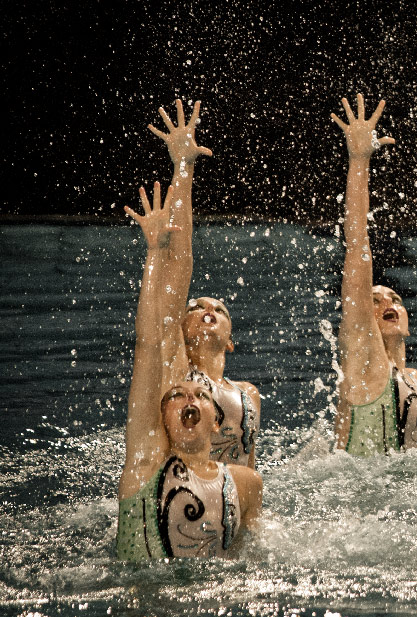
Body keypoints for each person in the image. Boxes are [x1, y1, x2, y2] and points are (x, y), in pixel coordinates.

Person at [116, 182, 262, 561]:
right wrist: (155, 249)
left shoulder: (244, 482)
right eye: (179, 395)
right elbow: (151, 338)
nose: (189, 398)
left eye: (199, 395)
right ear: (161, 415)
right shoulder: (148, 460)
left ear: (217, 421)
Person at [149, 99, 262, 468]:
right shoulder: (178, 374)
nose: (208, 310)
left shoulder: (249, 396)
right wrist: (184, 167)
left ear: (230, 340)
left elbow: (249, 470)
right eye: (195, 308)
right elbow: (180, 265)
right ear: (180, 329)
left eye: (219, 309)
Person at [331, 94, 417, 456]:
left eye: (394, 299)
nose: (386, 303)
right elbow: (357, 245)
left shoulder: (415, 380)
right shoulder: (361, 360)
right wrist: (359, 160)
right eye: (374, 300)